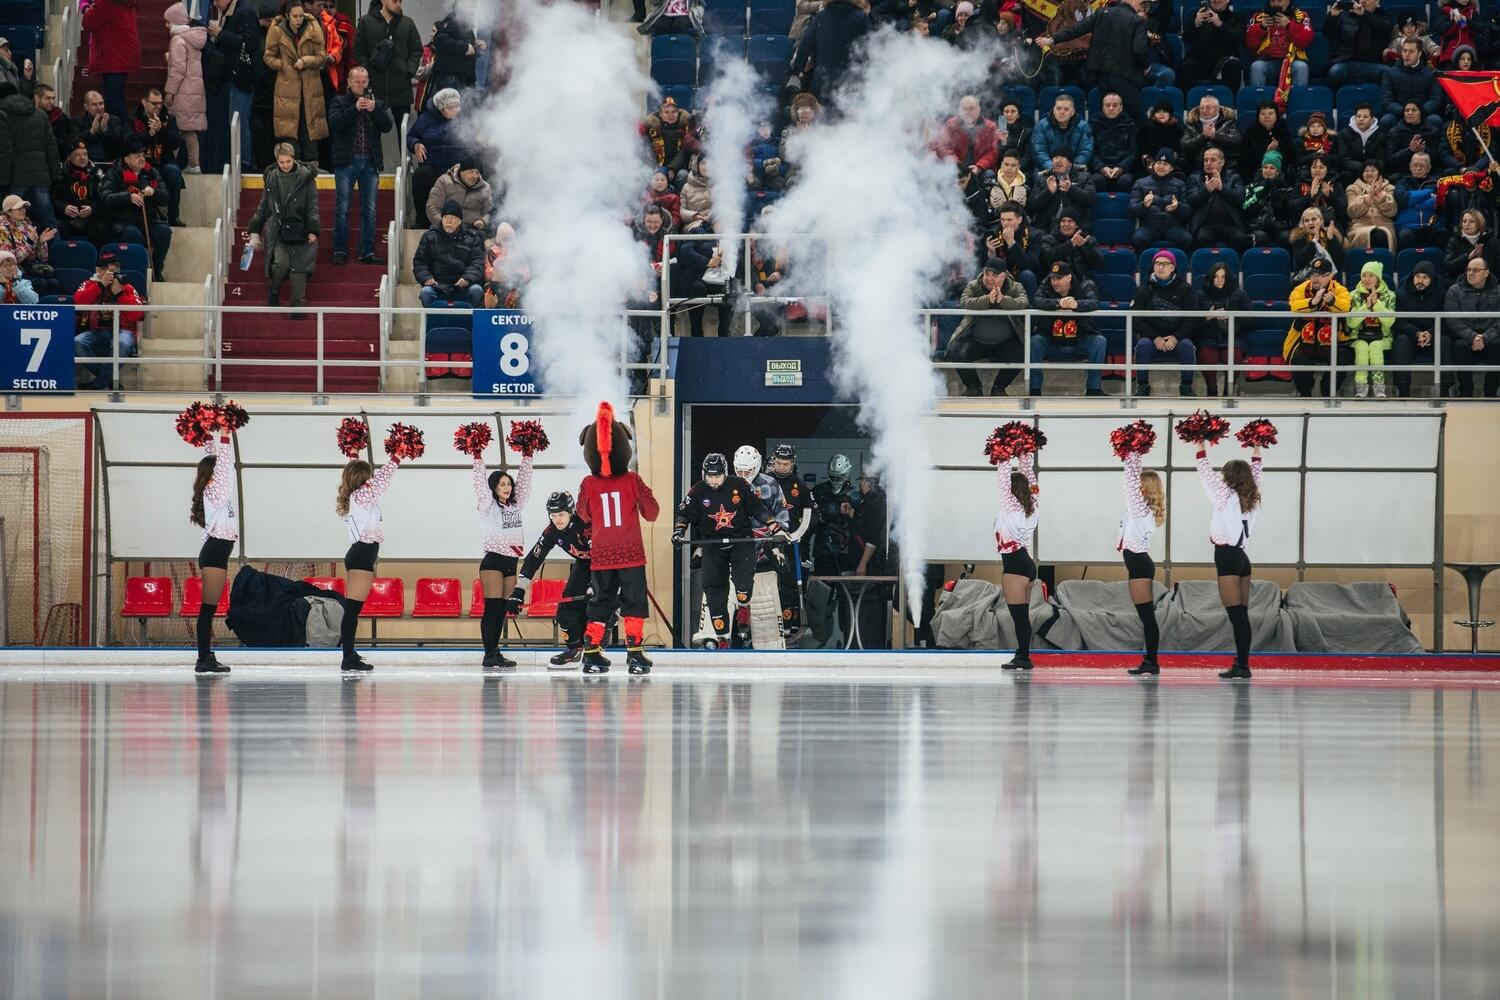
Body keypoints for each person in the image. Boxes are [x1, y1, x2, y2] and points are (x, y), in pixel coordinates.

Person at [575, 403, 660, 674]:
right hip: (630, 553)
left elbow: (582, 514)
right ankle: (634, 653)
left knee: (600, 602)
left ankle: (591, 653)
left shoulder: (588, 483)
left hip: (602, 555)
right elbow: (652, 513)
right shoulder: (632, 480)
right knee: (634, 602)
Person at [674, 452, 786, 649]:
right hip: (713, 545)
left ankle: (744, 606)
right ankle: (721, 637)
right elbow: (684, 513)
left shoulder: (741, 485)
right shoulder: (698, 490)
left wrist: (775, 529)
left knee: (744, 585)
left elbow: (759, 509)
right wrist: (679, 531)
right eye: (710, 476)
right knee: (713, 590)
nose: (714, 481)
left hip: (742, 543)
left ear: (725, 473)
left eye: (717, 476)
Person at [335, 449, 407, 672]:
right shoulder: (362, 495)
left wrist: (354, 453)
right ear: (364, 479)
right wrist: (397, 457)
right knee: (352, 610)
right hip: (361, 556)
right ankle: (348, 657)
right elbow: (383, 480)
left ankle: (350, 654)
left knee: (354, 610)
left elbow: (357, 471)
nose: (373, 480)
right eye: (369, 476)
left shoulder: (361, 497)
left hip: (363, 556)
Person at [1196, 437, 1262, 680]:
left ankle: (1242, 666)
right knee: (1241, 615)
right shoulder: (1251, 496)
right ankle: (1242, 664)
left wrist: (1199, 443)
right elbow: (1257, 471)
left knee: (1236, 616)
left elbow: (1205, 472)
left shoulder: (1223, 496)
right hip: (1242, 558)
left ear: (1228, 477)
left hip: (1227, 557)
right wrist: (1257, 446)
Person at [506, 491, 593, 668]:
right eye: (553, 515)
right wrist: (519, 590)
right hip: (584, 564)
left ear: (571, 512)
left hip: (606, 565)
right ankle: (575, 649)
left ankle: (595, 650)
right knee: (566, 609)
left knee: (598, 606)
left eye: (561, 515)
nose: (557, 520)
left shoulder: (585, 525)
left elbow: (604, 555)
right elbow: (534, 559)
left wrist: (598, 585)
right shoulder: (552, 530)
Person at [471, 444, 533, 672]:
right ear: (494, 488)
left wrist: (528, 456)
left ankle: (495, 652)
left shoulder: (516, 505)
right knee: (492, 608)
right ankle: (489, 654)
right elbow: (480, 485)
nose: (507, 487)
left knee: (502, 610)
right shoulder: (487, 506)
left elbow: (525, 483)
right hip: (493, 562)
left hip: (511, 561)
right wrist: (477, 456)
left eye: (508, 483)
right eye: (502, 484)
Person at [1037, 0, 1151, 123]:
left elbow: (1077, 30)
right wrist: (1145, 66)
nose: (1142, 5)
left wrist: (1052, 39)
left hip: (1101, 74)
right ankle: (1147, 136)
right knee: (1138, 117)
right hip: (1124, 76)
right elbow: (1139, 50)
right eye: (1140, 2)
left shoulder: (1101, 13)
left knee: (1108, 115)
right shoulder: (1137, 21)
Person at [327, 66, 392, 265]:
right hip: (346, 162)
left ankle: (367, 251)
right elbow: (335, 124)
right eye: (357, 81)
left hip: (370, 162)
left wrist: (375, 110)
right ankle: (340, 250)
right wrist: (354, 109)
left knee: (370, 210)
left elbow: (387, 126)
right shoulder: (339, 102)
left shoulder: (376, 103)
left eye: (364, 81)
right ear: (348, 82)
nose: (361, 85)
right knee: (342, 208)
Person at [246, 143, 320, 311]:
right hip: (278, 230)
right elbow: (263, 205)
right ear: (277, 161)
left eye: (288, 161)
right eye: (282, 162)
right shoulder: (272, 177)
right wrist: (255, 230)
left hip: (301, 230)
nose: (285, 165)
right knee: (280, 264)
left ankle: (297, 309)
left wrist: (313, 229)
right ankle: (274, 289)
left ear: (293, 159)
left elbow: (313, 205)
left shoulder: (306, 177)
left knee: (298, 272)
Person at [189, 429, 238, 673]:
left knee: (209, 608)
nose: (225, 473)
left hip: (217, 552)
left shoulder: (214, 490)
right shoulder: (216, 490)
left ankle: (205, 656)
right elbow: (224, 464)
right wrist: (225, 434)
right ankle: (203, 658)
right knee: (208, 608)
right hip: (215, 553)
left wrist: (209, 436)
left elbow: (217, 461)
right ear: (214, 475)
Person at [353, 0, 421, 167]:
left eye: (400, 1)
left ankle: (407, 169)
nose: (398, 3)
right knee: (372, 131)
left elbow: (416, 49)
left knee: (404, 132)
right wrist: (368, 69)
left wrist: (409, 69)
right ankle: (372, 169)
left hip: (401, 88)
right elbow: (358, 49)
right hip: (375, 88)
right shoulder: (366, 22)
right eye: (394, 0)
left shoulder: (407, 23)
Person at [946, 256, 1027, 396]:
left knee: (1022, 353)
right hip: (977, 341)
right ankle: (973, 387)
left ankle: (999, 387)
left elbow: (1023, 303)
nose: (989, 278)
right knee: (956, 350)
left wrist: (1003, 300)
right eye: (986, 274)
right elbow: (964, 302)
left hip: (1005, 343)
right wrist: (987, 300)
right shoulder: (974, 285)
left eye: (994, 275)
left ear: (1003, 276)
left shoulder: (1015, 287)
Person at [1118, 446, 1166, 675]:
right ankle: (1150, 660)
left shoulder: (1140, 510)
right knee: (1146, 616)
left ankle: (1152, 662)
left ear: (1144, 488)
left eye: (1139, 484)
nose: (1135, 487)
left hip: (1139, 564)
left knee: (1146, 617)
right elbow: (1131, 482)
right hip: (1139, 563)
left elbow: (1128, 483)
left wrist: (1130, 453)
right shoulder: (1143, 509)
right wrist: (1135, 455)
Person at [98, 137, 173, 281]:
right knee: (133, 234)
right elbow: (107, 197)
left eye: (142, 155)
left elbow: (165, 197)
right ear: (127, 159)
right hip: (123, 220)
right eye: (137, 156)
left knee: (164, 231)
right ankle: (140, 271)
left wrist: (154, 192)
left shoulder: (152, 172)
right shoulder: (114, 173)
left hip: (149, 218)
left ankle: (156, 269)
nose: (142, 158)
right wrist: (128, 197)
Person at [264, 0, 328, 162]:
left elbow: (322, 57)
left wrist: (305, 61)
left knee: (310, 129)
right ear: (287, 16)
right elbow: (268, 56)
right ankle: (291, 167)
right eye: (295, 16)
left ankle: (312, 168)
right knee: (289, 130)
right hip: (287, 87)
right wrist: (283, 65)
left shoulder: (313, 27)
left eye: (301, 16)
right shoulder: (277, 30)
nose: (299, 19)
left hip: (310, 87)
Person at [1030, 260, 1106, 396]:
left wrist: (1076, 305)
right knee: (1035, 341)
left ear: (1069, 277)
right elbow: (1036, 301)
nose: (1054, 282)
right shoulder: (1046, 285)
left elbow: (1094, 302)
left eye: (1058, 278)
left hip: (1079, 341)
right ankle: (1034, 389)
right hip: (1051, 340)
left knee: (1099, 342)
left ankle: (1094, 389)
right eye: (1052, 278)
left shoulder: (1083, 286)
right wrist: (1058, 303)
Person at [71, 249, 145, 387]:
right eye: (107, 270)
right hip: (97, 330)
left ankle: (98, 384)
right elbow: (77, 302)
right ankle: (108, 380)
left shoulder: (127, 287)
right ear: (98, 270)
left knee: (123, 343)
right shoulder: (89, 284)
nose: (112, 273)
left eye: (115, 269)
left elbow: (137, 315)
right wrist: (100, 286)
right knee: (77, 342)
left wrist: (119, 294)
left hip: (123, 330)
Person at [1131, 249, 1200, 396]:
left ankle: (1186, 386)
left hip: (1178, 337)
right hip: (1151, 338)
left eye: (1164, 264)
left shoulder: (1185, 288)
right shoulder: (1143, 289)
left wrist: (1176, 337)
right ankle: (1143, 386)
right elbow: (1136, 319)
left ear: (1172, 267)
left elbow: (1193, 318)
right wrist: (1155, 337)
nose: (1160, 267)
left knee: (1187, 346)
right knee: (1142, 346)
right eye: (1157, 264)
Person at [994, 448, 1039, 670]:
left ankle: (1023, 657)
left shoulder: (1010, 506)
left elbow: (1003, 475)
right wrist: (1024, 454)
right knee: (1023, 617)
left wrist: (1004, 449)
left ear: (1010, 491)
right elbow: (1030, 477)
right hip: (1026, 564)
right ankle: (1023, 655)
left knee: (1019, 618)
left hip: (1014, 566)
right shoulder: (1033, 504)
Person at [1285, 256, 1353, 397]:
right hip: (1304, 339)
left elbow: (1346, 306)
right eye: (1313, 274)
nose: (1315, 279)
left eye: (1320, 275)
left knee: (1342, 360)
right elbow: (1293, 305)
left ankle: (1327, 392)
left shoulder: (1339, 289)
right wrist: (1312, 302)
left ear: (1330, 276)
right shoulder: (1301, 288)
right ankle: (1305, 395)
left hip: (1334, 339)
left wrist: (1332, 301)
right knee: (1299, 361)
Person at [765, 443, 816, 631]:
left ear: (792, 463)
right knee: (767, 581)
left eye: (786, 464)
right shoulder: (764, 482)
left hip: (792, 541)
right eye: (779, 463)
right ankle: (767, 625)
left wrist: (801, 533)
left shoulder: (800, 486)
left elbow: (812, 514)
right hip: (768, 543)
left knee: (790, 583)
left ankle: (789, 623)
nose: (781, 467)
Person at [211, 0, 264, 172]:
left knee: (238, 121)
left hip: (242, 77)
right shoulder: (232, 13)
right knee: (237, 121)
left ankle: (245, 163)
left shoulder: (244, 12)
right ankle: (243, 161)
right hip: (235, 77)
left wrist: (220, 34)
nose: (214, 3)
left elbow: (249, 42)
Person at [1, 81, 60, 228]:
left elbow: (5, 151)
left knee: (8, 219)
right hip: (41, 176)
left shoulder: (2, 115)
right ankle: (56, 244)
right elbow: (52, 148)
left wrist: (3, 181)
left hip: (16, 177)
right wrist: (56, 176)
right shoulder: (40, 114)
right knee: (49, 221)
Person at [790, 0, 870, 106]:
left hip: (821, 81)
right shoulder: (861, 18)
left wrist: (796, 71)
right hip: (850, 84)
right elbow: (867, 50)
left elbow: (805, 45)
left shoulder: (821, 16)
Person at [1442, 255, 1500, 397]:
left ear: (1486, 272)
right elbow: (1452, 320)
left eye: (1475, 270)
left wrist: (1485, 337)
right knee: (1459, 346)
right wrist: (1472, 337)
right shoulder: (1454, 290)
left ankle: (1491, 392)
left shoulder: (1498, 291)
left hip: (1491, 336)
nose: (1470, 273)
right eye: (1468, 270)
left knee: (1498, 345)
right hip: (1465, 336)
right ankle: (1466, 391)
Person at [406, 88, 465, 225]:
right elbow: (411, 136)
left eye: (457, 106)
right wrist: (416, 144)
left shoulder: (465, 119)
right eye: (451, 108)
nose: (456, 110)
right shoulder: (426, 119)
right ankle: (423, 220)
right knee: (421, 175)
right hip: (433, 163)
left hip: (459, 163)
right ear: (441, 109)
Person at [132, 90, 187, 228]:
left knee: (173, 171)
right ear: (144, 102)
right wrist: (149, 134)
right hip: (140, 164)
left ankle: (173, 216)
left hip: (162, 162)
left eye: (160, 104)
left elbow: (176, 143)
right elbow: (130, 143)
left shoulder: (169, 119)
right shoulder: (133, 119)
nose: (158, 107)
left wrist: (161, 131)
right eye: (154, 103)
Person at [164, 2, 209, 174]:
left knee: (174, 129)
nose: (167, 25)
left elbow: (178, 69)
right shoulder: (192, 38)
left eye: (168, 21)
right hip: (193, 91)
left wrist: (170, 91)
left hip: (182, 92)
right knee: (189, 130)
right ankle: (194, 164)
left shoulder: (178, 40)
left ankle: (170, 163)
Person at [414, 200, 485, 307]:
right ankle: (432, 318)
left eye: (453, 218)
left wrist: (467, 279)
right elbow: (420, 262)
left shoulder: (473, 238)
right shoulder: (429, 237)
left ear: (460, 221)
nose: (448, 221)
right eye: (445, 217)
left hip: (464, 286)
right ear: (442, 219)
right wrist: (427, 278)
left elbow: (478, 262)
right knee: (426, 292)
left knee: (476, 290)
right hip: (438, 286)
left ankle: (470, 318)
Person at [1391, 260, 1445, 397]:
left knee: (1445, 341)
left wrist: (1430, 334)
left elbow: (1445, 321)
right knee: (1401, 340)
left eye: (1425, 277)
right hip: (1411, 336)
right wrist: (1416, 333)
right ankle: (1403, 392)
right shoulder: (1400, 294)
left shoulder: (1441, 295)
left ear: (1432, 279)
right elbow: (1399, 322)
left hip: (1433, 336)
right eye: (1418, 276)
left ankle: (1444, 391)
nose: (1420, 281)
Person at [1198, 261, 1252, 395]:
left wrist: (1231, 316)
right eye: (1216, 276)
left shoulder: (1240, 294)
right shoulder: (1201, 294)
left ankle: (1229, 391)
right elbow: (1192, 322)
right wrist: (1207, 317)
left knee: (1235, 355)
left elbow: (1251, 319)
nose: (1220, 280)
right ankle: (1212, 391)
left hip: (1234, 338)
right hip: (1208, 337)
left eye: (1223, 277)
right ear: (1211, 278)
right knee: (1206, 356)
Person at [82, 0, 141, 117]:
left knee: (112, 100)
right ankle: (119, 125)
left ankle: (124, 126)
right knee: (115, 97)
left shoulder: (107, 3)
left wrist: (90, 7)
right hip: (121, 54)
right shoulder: (123, 2)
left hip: (113, 56)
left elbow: (87, 22)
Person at [1347, 259, 1395, 397]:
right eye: (1364, 275)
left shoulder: (1389, 295)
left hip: (1383, 337)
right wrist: (1366, 307)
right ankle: (1361, 387)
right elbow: (1351, 323)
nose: (1366, 279)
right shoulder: (1354, 295)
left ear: (1378, 278)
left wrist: (1376, 304)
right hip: (1358, 336)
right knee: (1361, 347)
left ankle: (1379, 387)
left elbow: (1389, 322)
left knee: (1375, 346)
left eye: (1371, 276)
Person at [1187, 145, 1247, 251]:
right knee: (1202, 239)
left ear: (1222, 162)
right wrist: (1206, 190)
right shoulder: (1194, 178)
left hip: (1230, 225)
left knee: (1240, 238)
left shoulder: (1234, 177)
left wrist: (1221, 188)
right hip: (1205, 225)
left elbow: (1240, 199)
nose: (1208, 163)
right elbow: (1191, 201)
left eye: (1213, 160)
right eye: (1205, 160)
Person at [1129, 149, 1191, 249]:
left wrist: (1177, 207)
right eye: (1158, 163)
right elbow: (1132, 210)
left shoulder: (1180, 184)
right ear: (1154, 165)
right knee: (1137, 239)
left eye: (1165, 164)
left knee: (1187, 239)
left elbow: (1188, 211)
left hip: (1173, 226)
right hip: (1149, 226)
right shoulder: (1140, 183)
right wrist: (1144, 205)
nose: (1161, 166)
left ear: (1172, 168)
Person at [1245, 0, 1314, 89]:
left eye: (1279, 1)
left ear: (1288, 1)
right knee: (1256, 67)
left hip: (1292, 61)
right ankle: (1259, 98)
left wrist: (1289, 25)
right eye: (1272, 1)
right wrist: (1261, 27)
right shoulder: (1259, 17)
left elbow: (1305, 41)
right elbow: (1250, 44)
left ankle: (1299, 98)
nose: (1275, 4)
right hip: (1267, 61)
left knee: (1301, 67)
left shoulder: (1300, 16)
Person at [1323, 0, 1391, 90]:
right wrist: (1332, 17)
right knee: (1335, 71)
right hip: (1346, 62)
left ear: (1377, 2)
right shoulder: (1346, 15)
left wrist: (1364, 14)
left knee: (1387, 72)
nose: (1362, 1)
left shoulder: (1382, 16)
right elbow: (1329, 35)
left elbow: (1385, 29)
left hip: (1373, 64)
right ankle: (1336, 99)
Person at [812, 454, 861, 575]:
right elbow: (812, 517)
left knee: (843, 584)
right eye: (833, 476)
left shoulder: (854, 494)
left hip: (846, 549)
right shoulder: (819, 491)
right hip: (823, 548)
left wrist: (852, 512)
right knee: (822, 584)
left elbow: (861, 523)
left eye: (838, 477)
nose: (835, 480)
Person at [1180, 0, 1244, 91]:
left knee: (1234, 65)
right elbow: (1186, 39)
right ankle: (1187, 99)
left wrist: (1220, 25)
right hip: (1201, 61)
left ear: (1228, 1)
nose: (1217, 0)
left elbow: (1238, 39)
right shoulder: (1198, 15)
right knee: (1186, 66)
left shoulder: (1237, 18)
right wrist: (1196, 24)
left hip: (1225, 62)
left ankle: (1228, 99)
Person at [1381, 38, 1444, 130]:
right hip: (1400, 114)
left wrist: (1420, 111)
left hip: (1423, 114)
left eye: (1411, 51)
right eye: (1404, 51)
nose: (1406, 54)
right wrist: (1405, 111)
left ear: (1419, 54)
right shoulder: (1390, 73)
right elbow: (1386, 99)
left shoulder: (1429, 74)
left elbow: (1435, 98)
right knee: (1386, 120)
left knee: (1435, 120)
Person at [0, 195, 56, 294]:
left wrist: (41, 243)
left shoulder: (27, 226)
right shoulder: (2, 230)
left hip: (29, 269)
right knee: (40, 284)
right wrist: (29, 242)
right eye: (19, 208)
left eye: (24, 208)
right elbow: (10, 260)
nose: (23, 211)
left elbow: (42, 258)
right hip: (12, 273)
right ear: (8, 212)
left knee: (53, 283)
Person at [424, 155, 492, 231]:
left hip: (472, 230)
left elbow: (488, 213)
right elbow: (433, 207)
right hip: (446, 228)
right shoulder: (444, 181)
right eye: (471, 172)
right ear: (461, 172)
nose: (474, 176)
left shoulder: (485, 187)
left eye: (477, 172)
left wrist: (483, 221)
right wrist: (442, 223)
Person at [1030, 94, 1093, 175]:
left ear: (1073, 111)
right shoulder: (1041, 126)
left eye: (1066, 109)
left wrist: (1070, 169)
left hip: (1075, 170)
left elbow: (1085, 151)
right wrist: (1055, 169)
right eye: (1058, 108)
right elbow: (1039, 152)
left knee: (1086, 177)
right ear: (1054, 109)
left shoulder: (1083, 127)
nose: (1062, 112)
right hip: (1047, 170)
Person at [1244, 150, 1295, 249]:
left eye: (1272, 168)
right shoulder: (1251, 187)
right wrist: (1262, 190)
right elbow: (1247, 208)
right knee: (1261, 237)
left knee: (1287, 237)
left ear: (1278, 171)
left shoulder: (1286, 190)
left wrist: (1276, 194)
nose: (1268, 170)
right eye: (1265, 167)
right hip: (1256, 226)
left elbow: (1287, 213)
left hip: (1278, 227)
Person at [1089, 92, 1138, 193]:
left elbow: (1134, 152)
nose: (1111, 108)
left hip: (1123, 168)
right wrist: (1101, 167)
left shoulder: (1130, 125)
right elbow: (1090, 150)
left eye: (1115, 105)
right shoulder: (1093, 124)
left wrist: (1121, 167)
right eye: (1107, 105)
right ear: (1103, 107)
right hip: (1100, 168)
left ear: (1121, 107)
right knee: (1096, 180)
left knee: (1126, 181)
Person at [1394, 152, 1443, 251]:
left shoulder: (1437, 183)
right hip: (1407, 226)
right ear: (1410, 166)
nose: (1418, 168)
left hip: (1431, 226)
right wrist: (1428, 193)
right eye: (1415, 165)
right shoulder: (1402, 182)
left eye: (1422, 165)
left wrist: (1413, 201)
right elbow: (1402, 200)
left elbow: (1438, 202)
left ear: (1428, 168)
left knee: (1442, 234)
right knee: (1405, 236)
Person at [1180, 94, 1242, 173]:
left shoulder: (1228, 122)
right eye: (1201, 107)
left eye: (1208, 107)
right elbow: (1184, 145)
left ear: (1217, 109)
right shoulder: (1191, 123)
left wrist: (1215, 135)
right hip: (1196, 166)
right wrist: (1203, 136)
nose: (1204, 110)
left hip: (1225, 166)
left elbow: (1237, 141)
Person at [428, 10, 482, 97]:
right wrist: (464, 47)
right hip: (451, 76)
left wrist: (475, 47)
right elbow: (440, 39)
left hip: (462, 78)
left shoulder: (465, 23)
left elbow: (466, 50)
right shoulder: (453, 19)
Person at [67, 91, 127, 165]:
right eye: (94, 104)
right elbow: (72, 143)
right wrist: (91, 132)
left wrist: (106, 130)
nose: (99, 108)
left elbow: (120, 141)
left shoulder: (114, 120)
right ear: (86, 107)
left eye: (101, 103)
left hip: (110, 163)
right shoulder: (77, 122)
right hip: (86, 163)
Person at [1443, 208, 1499, 283]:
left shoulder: (1490, 241)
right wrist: (1468, 256)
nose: (1467, 224)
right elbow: (1449, 267)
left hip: (1487, 283)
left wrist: (1481, 258)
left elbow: (1496, 267)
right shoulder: (1454, 241)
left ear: (1479, 223)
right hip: (1460, 283)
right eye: (1464, 221)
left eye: (1471, 221)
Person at [1338, 105, 1387, 184]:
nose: (1361, 119)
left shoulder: (1380, 135)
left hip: (1374, 171)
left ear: (1372, 119)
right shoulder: (1344, 134)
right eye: (1359, 116)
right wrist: (1364, 168)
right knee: (1345, 176)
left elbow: (1381, 160)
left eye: (1365, 117)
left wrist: (1370, 170)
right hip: (1353, 171)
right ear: (1355, 117)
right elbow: (1345, 159)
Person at [1241, 102, 1291, 179]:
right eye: (1263, 114)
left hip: (1282, 173)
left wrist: (1279, 146)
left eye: (1270, 113)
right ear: (1258, 116)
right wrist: (1265, 151)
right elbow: (1246, 157)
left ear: (1276, 115)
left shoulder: (1283, 129)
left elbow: (1291, 153)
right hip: (1255, 172)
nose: (1267, 117)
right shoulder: (1251, 132)